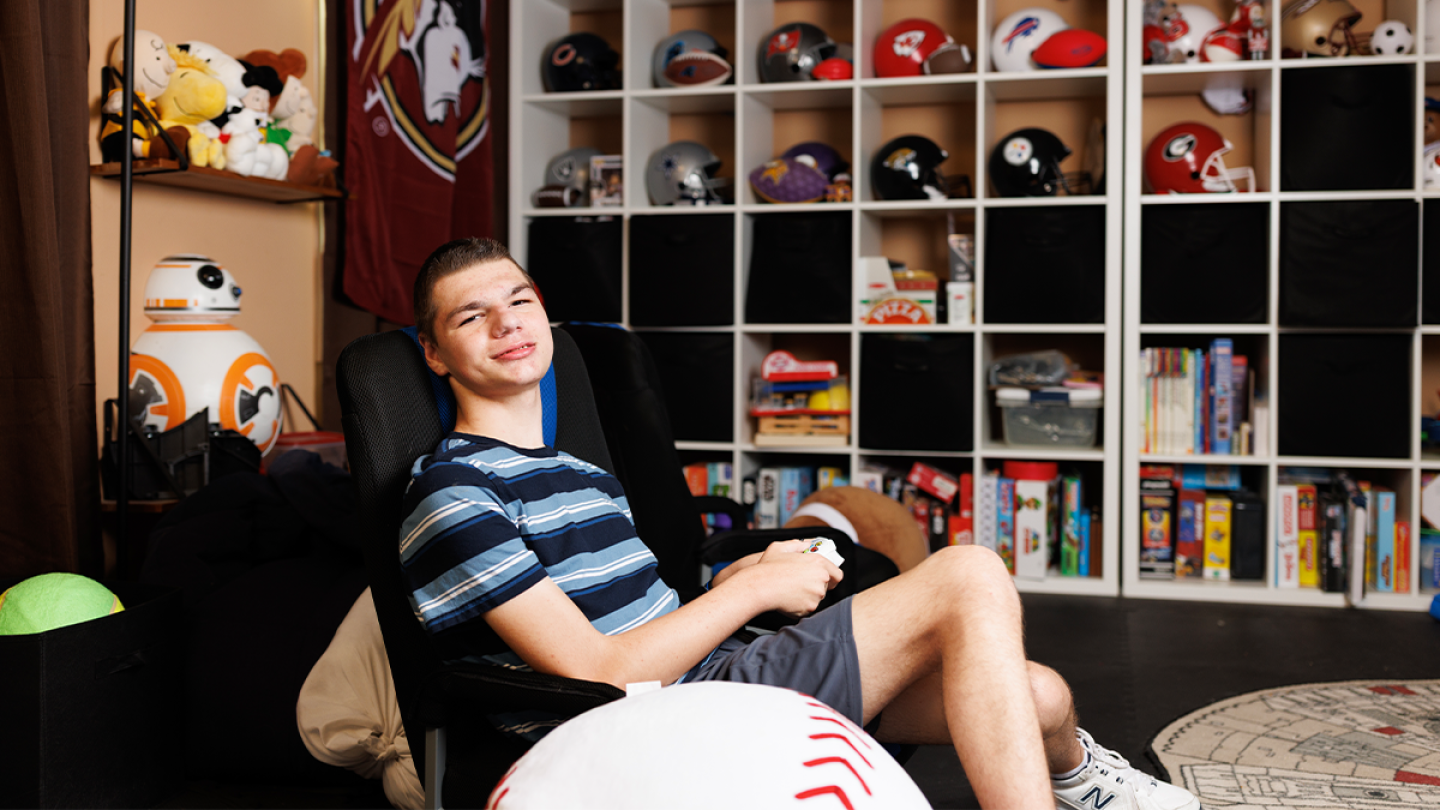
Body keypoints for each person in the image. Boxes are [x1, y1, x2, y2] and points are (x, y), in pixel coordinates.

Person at [401, 237, 1199, 810]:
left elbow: (640, 623)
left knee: (1040, 695)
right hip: (659, 713)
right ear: (435, 353)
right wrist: (754, 596)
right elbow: (599, 675)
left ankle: (1082, 780)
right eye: (472, 317)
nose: (507, 323)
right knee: (969, 572)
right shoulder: (454, 493)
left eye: (520, 300)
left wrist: (730, 582)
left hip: (711, 669)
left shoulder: (577, 473)